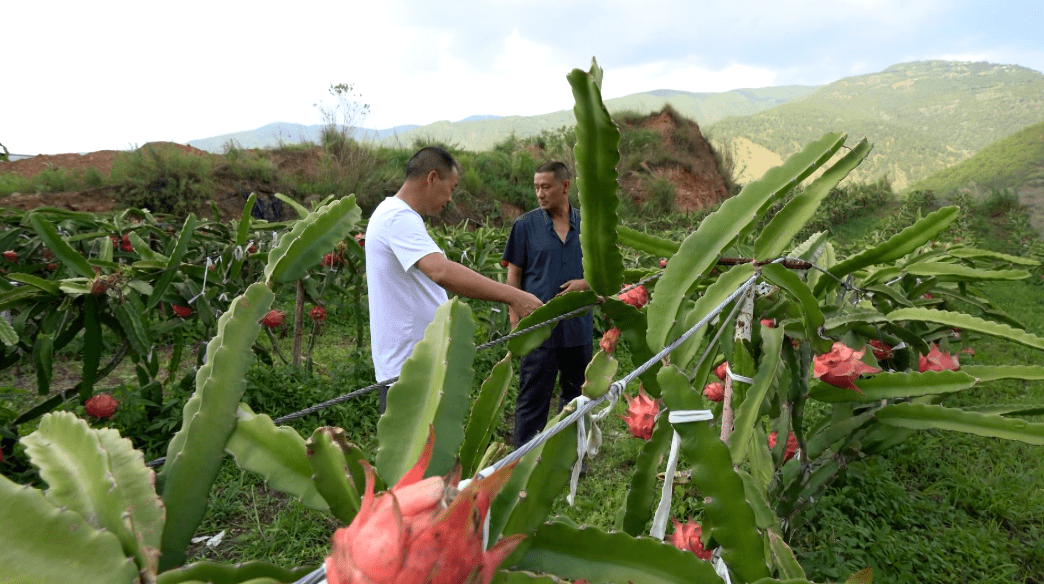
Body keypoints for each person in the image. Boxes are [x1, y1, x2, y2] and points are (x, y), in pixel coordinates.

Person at [366, 146, 543, 409]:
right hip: (409, 372)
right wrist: (513, 295)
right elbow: (441, 271)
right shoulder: (396, 218)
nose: (450, 199)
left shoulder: (394, 214)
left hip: (417, 367)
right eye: (452, 187)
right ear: (432, 178)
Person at [502, 161, 593, 448]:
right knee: (532, 401)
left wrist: (586, 284)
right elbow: (513, 276)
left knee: (577, 397)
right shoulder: (525, 227)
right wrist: (516, 323)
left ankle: (570, 459)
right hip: (538, 330)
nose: (540, 194)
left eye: (546, 187)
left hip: (578, 329)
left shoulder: (588, 227)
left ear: (565, 186)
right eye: (536, 187)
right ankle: (521, 463)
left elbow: (603, 274)